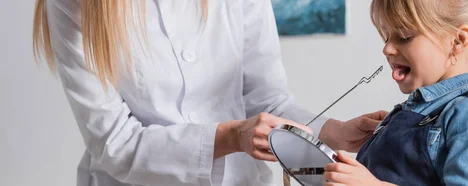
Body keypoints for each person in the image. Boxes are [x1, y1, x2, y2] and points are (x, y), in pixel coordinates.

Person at [32, 0, 387, 185]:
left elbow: (268, 100)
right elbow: (114, 143)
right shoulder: (73, 6)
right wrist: (231, 136)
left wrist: (333, 133)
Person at [323, 0, 468, 185]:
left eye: (404, 36)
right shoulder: (415, 114)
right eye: (386, 37)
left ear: (457, 41)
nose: (386, 48)